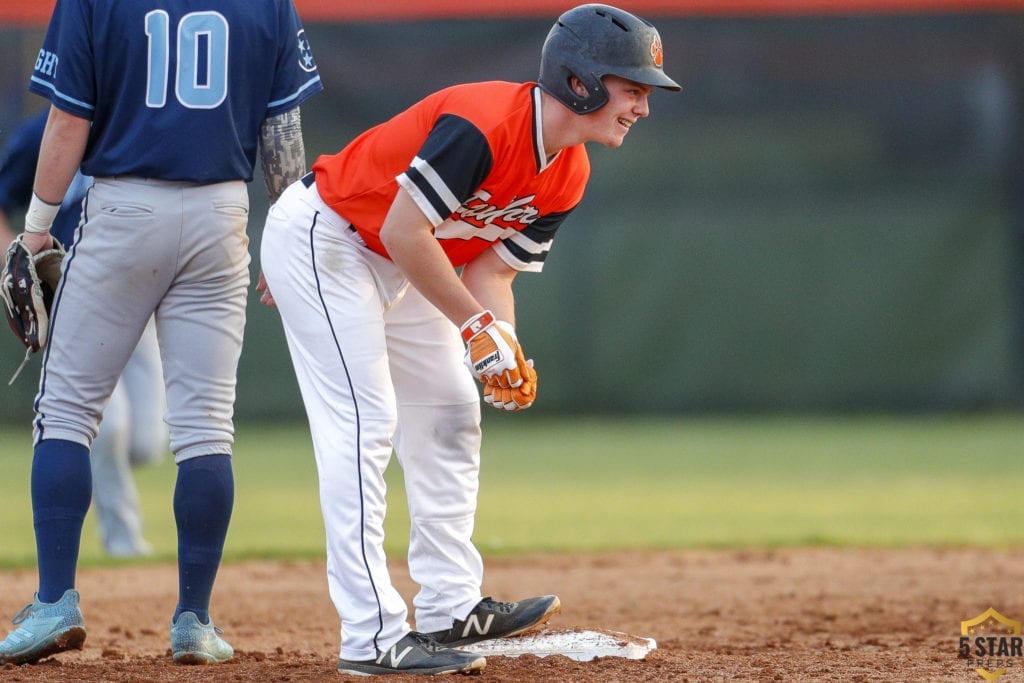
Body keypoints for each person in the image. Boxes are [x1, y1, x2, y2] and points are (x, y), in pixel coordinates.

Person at [258, 3, 680, 676]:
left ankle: (451, 607)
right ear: (581, 82)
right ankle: (371, 636)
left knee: (452, 411)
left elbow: (488, 268)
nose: (642, 107)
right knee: (365, 422)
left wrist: (501, 343)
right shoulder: (484, 124)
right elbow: (403, 230)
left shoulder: (568, 172)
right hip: (330, 236)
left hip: (403, 262)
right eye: (632, 89)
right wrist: (476, 328)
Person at [0, 0, 322, 667]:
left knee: (65, 411)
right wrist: (288, 239)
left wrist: (35, 229)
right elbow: (282, 131)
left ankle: (56, 599)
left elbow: (68, 117)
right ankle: (194, 620)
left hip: (124, 207)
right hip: (219, 214)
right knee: (205, 426)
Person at [0, 110, 167, 559]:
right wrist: (17, 258)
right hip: (73, 296)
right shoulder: (42, 133)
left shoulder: (138, 121)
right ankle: (123, 540)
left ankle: (77, 466)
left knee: (147, 442)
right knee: (106, 429)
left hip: (137, 289)